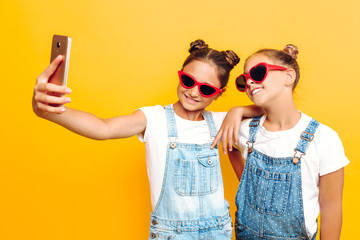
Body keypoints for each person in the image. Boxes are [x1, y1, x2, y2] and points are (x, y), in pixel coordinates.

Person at [32, 39, 262, 239]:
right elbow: (103, 128)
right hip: (171, 234)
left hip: (217, 232)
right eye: (188, 81)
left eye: (206, 89)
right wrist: (50, 111)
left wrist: (238, 111)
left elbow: (273, 113)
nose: (193, 93)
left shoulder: (223, 122)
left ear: (220, 93)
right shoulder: (153, 118)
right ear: (179, 74)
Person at [212, 44, 349, 240]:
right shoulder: (244, 130)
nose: (250, 82)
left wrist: (239, 110)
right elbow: (230, 145)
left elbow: (332, 209)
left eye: (257, 73)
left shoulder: (324, 139)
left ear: (288, 76)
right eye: (244, 80)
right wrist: (238, 110)